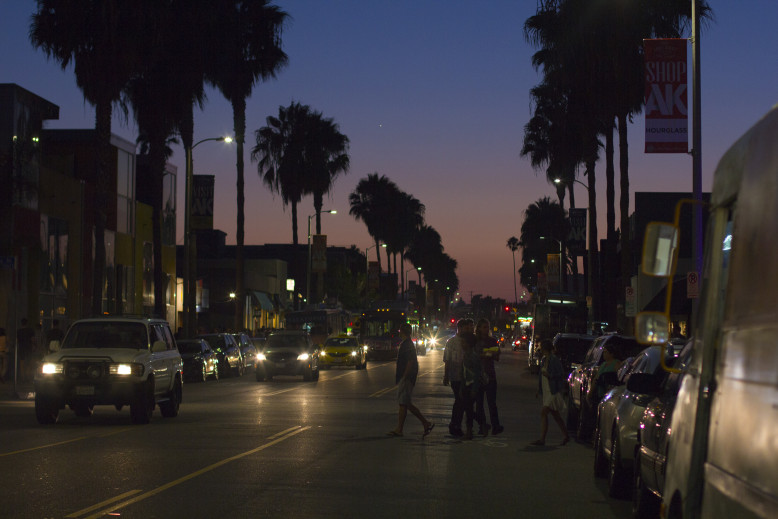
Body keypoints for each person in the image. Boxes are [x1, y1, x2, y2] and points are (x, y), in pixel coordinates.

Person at [388, 323, 434, 438]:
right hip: (407, 377)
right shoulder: (407, 343)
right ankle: (425, 423)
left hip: (407, 378)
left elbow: (410, 362)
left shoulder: (407, 344)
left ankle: (400, 429)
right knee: (406, 403)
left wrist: (404, 376)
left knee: (404, 403)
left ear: (401, 332)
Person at [532, 339, 570, 446]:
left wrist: (550, 376)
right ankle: (566, 435)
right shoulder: (544, 360)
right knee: (555, 415)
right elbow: (541, 376)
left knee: (544, 412)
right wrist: (539, 390)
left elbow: (560, 374)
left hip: (553, 390)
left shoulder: (554, 360)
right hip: (546, 390)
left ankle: (542, 439)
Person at [443, 319, 472, 437]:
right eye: (466, 328)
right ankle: (455, 425)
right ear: (459, 328)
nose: (468, 330)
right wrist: (446, 375)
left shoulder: (469, 341)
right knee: (460, 401)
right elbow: (447, 359)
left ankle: (456, 424)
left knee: (462, 402)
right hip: (455, 376)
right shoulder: (451, 342)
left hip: (467, 377)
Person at [475, 318, 503, 436]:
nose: (486, 329)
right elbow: (475, 355)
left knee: (492, 403)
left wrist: (492, 353)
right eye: (484, 327)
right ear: (479, 328)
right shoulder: (475, 341)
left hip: (490, 375)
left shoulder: (492, 341)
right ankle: (482, 426)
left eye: (488, 327)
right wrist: (487, 353)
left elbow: (497, 356)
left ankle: (495, 426)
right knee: (479, 403)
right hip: (479, 375)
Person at [460, 327, 484, 440]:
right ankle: (482, 424)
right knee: (467, 408)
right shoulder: (465, 355)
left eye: (463, 342)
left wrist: (474, 389)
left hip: (472, 385)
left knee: (469, 409)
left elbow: (477, 373)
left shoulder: (473, 356)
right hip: (466, 385)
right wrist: (462, 387)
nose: (461, 344)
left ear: (469, 344)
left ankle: (470, 431)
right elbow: (463, 372)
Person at [16, 318, 35, 382]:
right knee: (29, 362)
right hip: (28, 347)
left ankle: (22, 376)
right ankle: (28, 375)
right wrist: (34, 346)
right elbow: (32, 339)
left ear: (21, 323)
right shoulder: (30, 330)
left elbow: (17, 340)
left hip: (21, 348)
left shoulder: (19, 331)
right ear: (27, 323)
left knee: (22, 362)